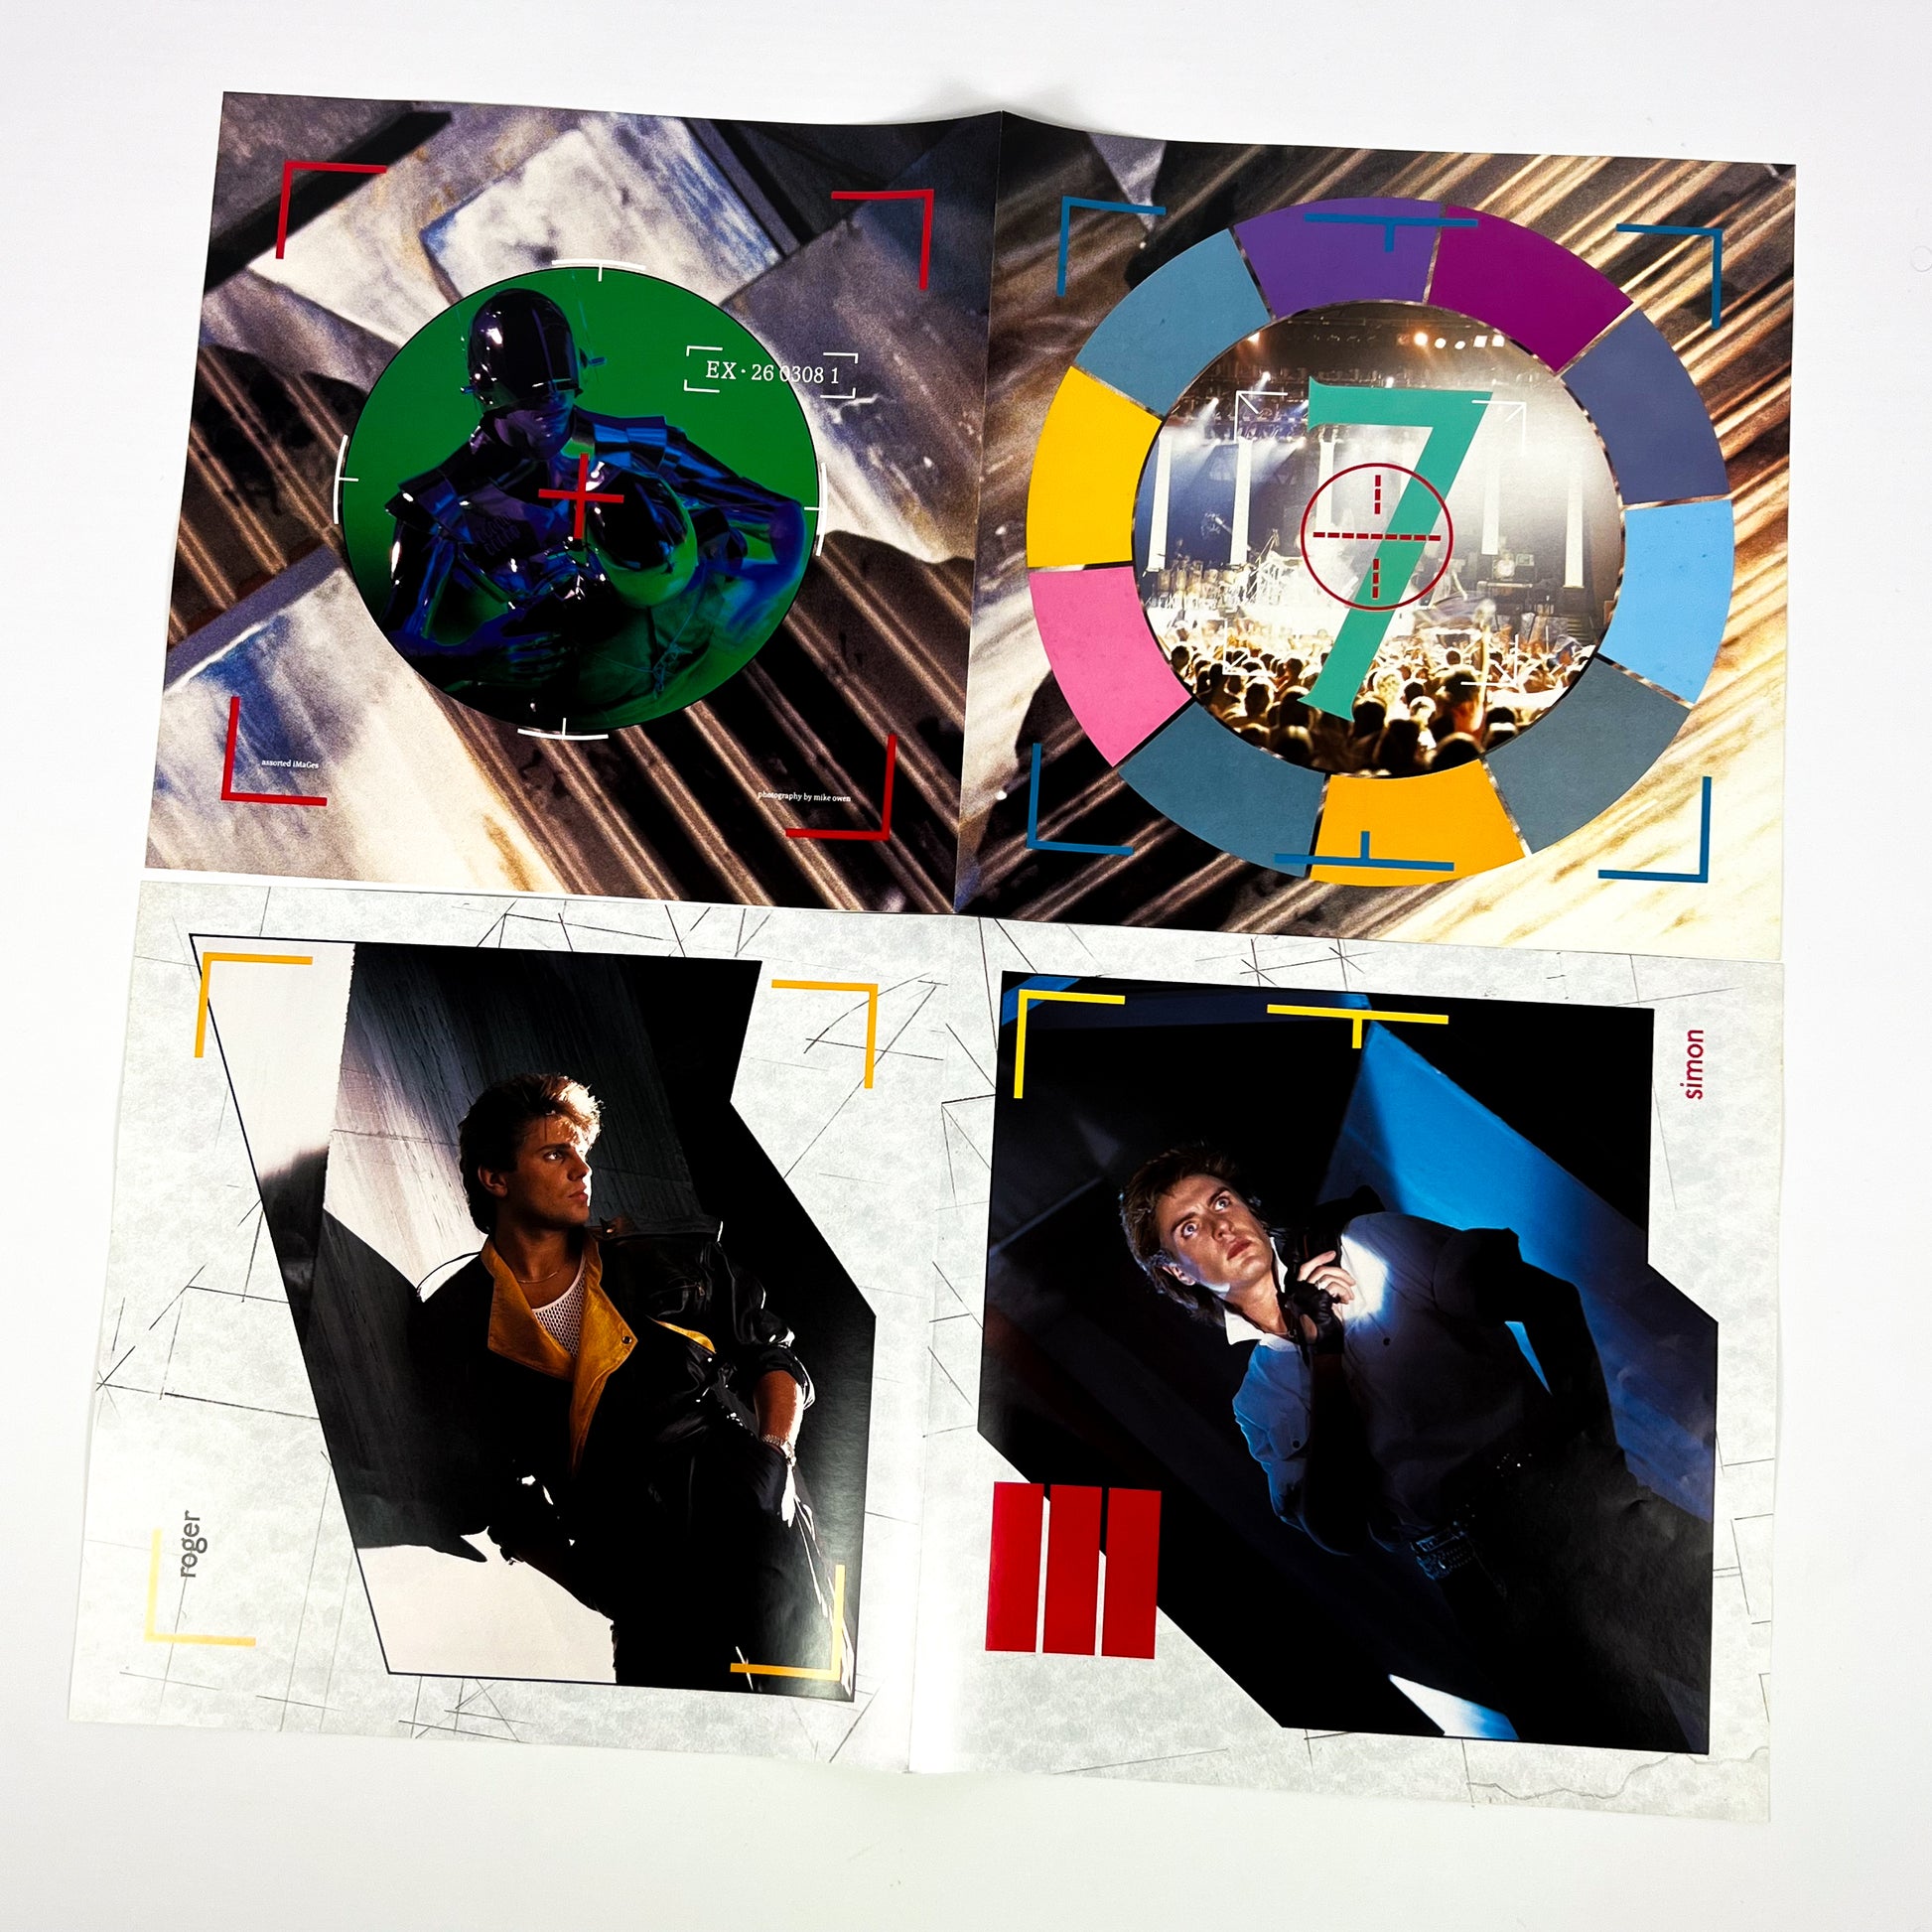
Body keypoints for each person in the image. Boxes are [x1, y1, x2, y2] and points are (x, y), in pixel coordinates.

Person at [1116, 1146, 1711, 1751]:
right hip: (1484, 1588)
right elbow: (1338, 1530)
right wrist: (1324, 1353)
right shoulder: (1260, 1400)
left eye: (1222, 1202)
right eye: (1189, 1228)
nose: (1221, 1226)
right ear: (1177, 1272)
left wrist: (1596, 1454)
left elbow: (1547, 1299)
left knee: (1755, 1661)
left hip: (1577, 1506)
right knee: (1628, 1767)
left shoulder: (1371, 1245)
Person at [411, 1072, 841, 1691]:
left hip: (752, 1523)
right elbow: (486, 1491)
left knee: (813, 1712)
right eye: (554, 1154)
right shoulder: (456, 1321)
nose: (581, 1169)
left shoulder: (662, 1255)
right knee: (687, 1740)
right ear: (495, 1178)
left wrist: (774, 1459)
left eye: (582, 1152)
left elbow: (770, 1354)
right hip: (638, 1571)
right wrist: (588, 1581)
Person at [381, 288, 808, 727]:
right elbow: (396, 638)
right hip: (584, 701)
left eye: (562, 387)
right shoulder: (438, 505)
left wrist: (779, 576)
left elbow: (775, 509)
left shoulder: (635, 448)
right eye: (533, 396)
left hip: (705, 660)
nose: (553, 403)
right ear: (490, 391)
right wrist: (469, 658)